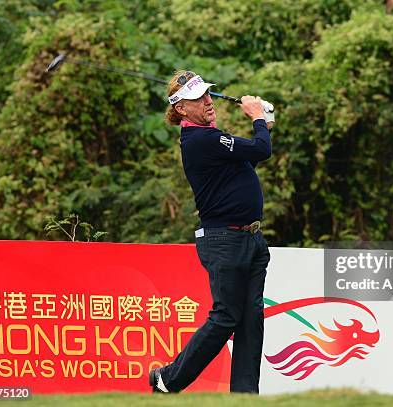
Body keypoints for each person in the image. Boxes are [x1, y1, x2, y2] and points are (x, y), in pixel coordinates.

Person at [149, 70, 273, 394]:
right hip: (225, 241)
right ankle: (168, 379)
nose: (207, 101)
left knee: (250, 321)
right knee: (226, 316)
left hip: (249, 239)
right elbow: (262, 150)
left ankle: (245, 397)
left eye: (206, 94)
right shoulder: (201, 139)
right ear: (180, 109)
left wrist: (263, 127)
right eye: (196, 98)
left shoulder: (212, 138)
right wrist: (259, 119)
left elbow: (249, 161)